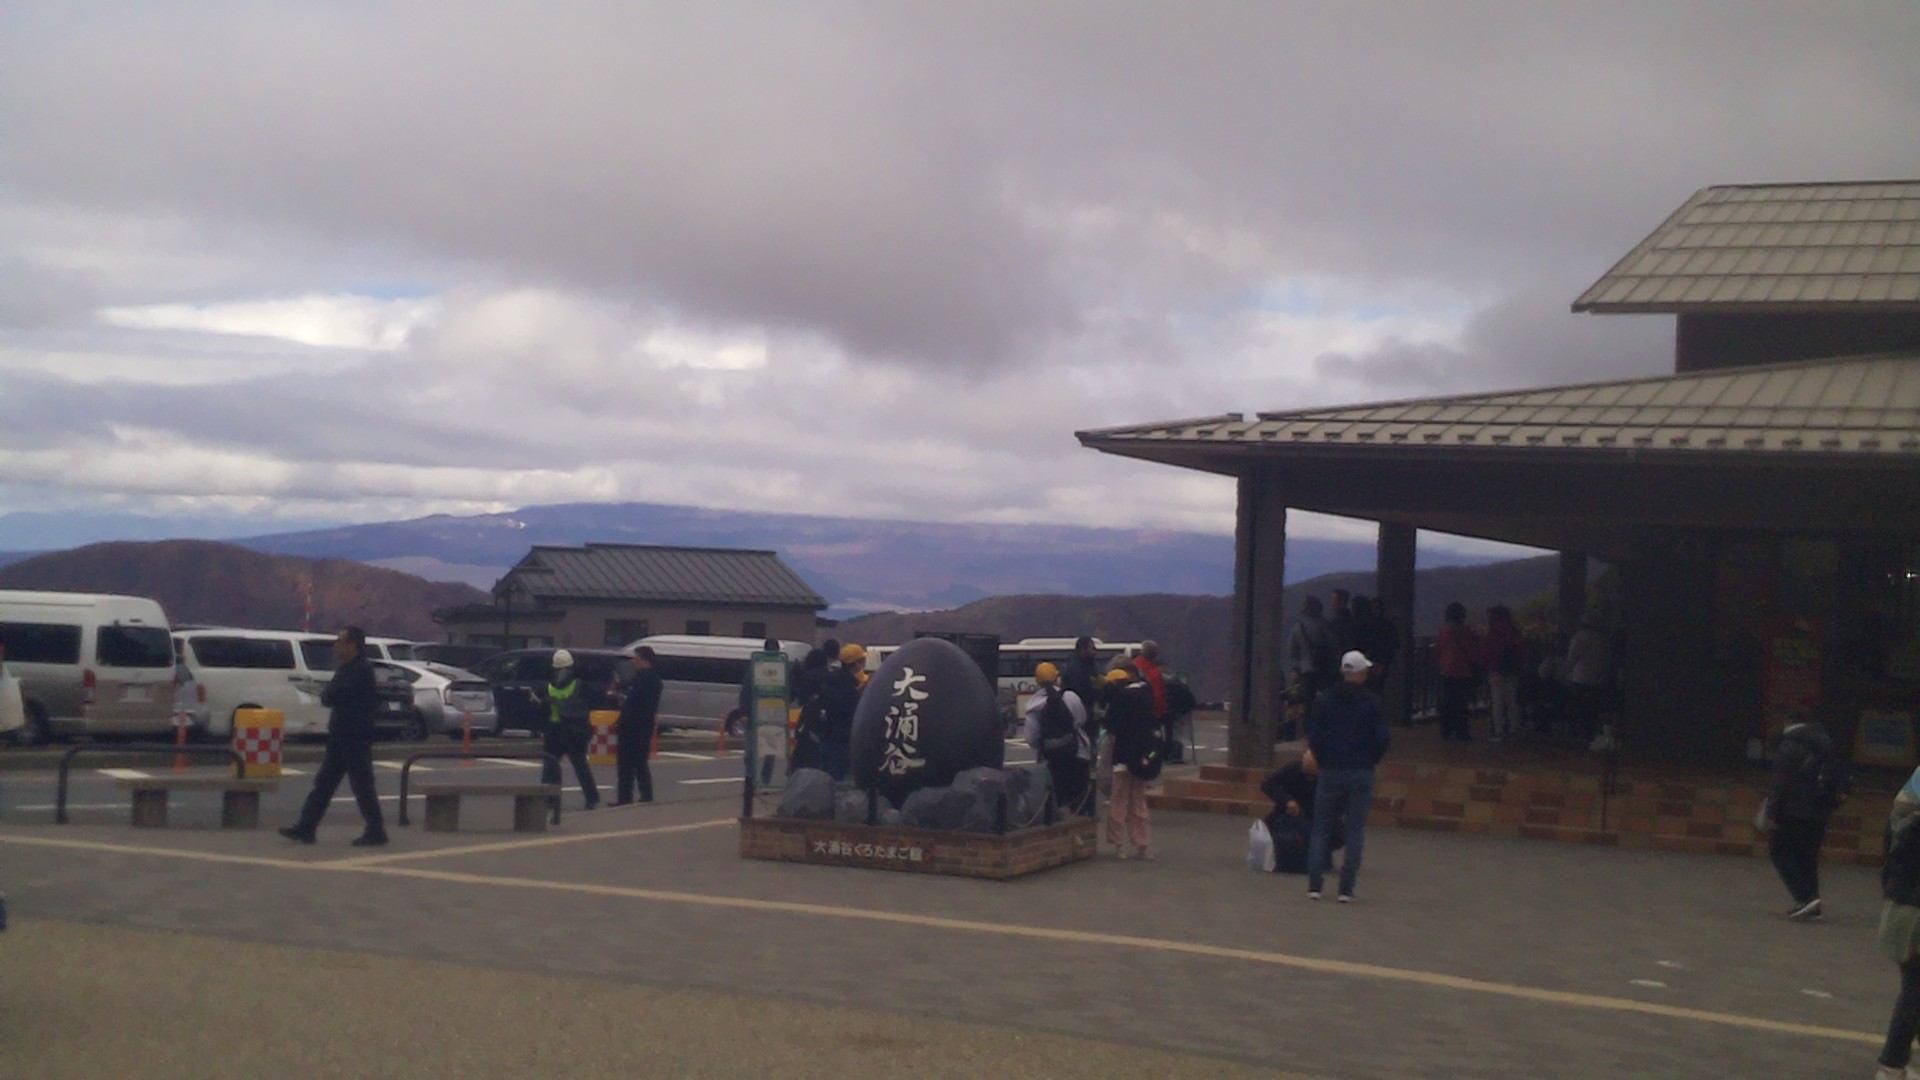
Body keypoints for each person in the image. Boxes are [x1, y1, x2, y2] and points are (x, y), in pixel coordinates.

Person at [280, 626, 388, 847]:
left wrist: (330, 695)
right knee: (325, 783)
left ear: (352, 645)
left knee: (362, 784)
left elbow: (331, 695)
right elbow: (330, 695)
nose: (335, 645)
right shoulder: (349, 668)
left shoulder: (359, 669)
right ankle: (306, 827)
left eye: (340, 641)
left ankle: (376, 830)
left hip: (354, 736)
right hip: (341, 736)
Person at [1305, 651, 1391, 902]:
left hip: (1331, 769)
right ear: (1362, 673)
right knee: (1354, 829)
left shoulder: (1324, 700)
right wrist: (1371, 759)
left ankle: (1315, 885)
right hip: (1361, 770)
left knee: (1321, 827)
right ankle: (1345, 889)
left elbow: (1314, 735)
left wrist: (1323, 759)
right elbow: (1383, 738)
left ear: (1343, 671)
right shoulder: (1373, 702)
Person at [1765, 719, 1838, 921]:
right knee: (1807, 857)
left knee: (1779, 852)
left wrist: (1771, 813)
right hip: (1820, 810)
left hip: (1792, 810)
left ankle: (1805, 897)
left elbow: (1779, 784)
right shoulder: (1825, 743)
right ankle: (1811, 902)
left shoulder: (1788, 747)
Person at [1873, 766, 1920, 1079]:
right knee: (1915, 992)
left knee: (1914, 988)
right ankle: (1891, 1063)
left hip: (1899, 909)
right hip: (1915, 914)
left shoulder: (1900, 817)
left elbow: (1888, 867)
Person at [1103, 663, 1160, 859]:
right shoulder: (1146, 695)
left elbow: (1110, 726)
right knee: (1138, 800)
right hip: (1142, 757)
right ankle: (1142, 843)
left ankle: (1118, 844)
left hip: (1122, 756)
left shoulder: (1119, 699)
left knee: (1118, 800)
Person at [1023, 661, 1091, 816]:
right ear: (1057, 678)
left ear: (1037, 681)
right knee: (1080, 802)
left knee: (1055, 803)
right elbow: (1081, 719)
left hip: (1050, 759)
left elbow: (1031, 737)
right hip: (1077, 753)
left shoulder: (1033, 705)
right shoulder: (1070, 697)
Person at [1260, 748, 1341, 874]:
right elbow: (1267, 785)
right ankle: (1284, 856)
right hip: (1288, 814)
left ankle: (1324, 855)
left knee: (1339, 831)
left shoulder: (1331, 777)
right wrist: (1287, 800)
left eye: (1313, 776)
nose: (1309, 778)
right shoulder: (1292, 770)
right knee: (1275, 825)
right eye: (1306, 774)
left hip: (1317, 815)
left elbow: (1341, 801)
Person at [539, 649, 601, 812]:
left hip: (556, 730)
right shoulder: (579, 685)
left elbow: (543, 712)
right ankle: (591, 798)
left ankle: (549, 799)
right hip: (573, 730)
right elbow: (591, 703)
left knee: (551, 766)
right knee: (579, 765)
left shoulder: (548, 687)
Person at [613, 646, 662, 805]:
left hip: (633, 725)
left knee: (627, 763)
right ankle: (645, 795)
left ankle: (625, 798)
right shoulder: (654, 679)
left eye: (635, 658)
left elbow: (633, 702)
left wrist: (623, 700)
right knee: (639, 762)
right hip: (644, 725)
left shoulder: (643, 679)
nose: (633, 661)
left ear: (643, 659)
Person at [816, 644, 866, 780]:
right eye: (862, 662)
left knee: (825, 777)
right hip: (841, 740)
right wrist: (858, 692)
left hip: (826, 736)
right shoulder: (849, 685)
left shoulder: (829, 678)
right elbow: (847, 708)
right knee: (837, 779)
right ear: (856, 664)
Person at [1565, 615, 1615, 749]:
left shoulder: (1580, 637)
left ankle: (1579, 734)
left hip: (1581, 678)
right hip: (1597, 678)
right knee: (1592, 708)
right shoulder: (1602, 639)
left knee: (1579, 707)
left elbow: (1571, 657)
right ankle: (1589, 734)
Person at [1435, 601, 1481, 742]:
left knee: (1448, 701)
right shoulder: (1466, 632)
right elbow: (1473, 652)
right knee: (1461, 703)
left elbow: (1438, 651)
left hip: (1446, 670)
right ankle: (1462, 732)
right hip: (1463, 671)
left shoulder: (1443, 632)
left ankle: (1446, 730)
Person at [1286, 597, 1337, 712]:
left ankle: (1310, 721)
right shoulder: (1325, 624)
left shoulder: (1297, 628)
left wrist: (1303, 658)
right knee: (1327, 700)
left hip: (1307, 670)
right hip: (1325, 668)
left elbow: (1291, 651)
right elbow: (1333, 645)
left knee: (1308, 702)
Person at [1482, 606, 1524, 742]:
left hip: (1495, 669)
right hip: (1512, 670)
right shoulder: (1514, 631)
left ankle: (1498, 731)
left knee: (1497, 701)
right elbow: (1520, 650)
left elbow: (1487, 652)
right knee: (1512, 701)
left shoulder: (1492, 632)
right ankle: (1513, 729)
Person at [789, 647, 831, 774]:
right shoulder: (830, 676)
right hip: (828, 723)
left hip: (807, 723)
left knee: (802, 756)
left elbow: (798, 697)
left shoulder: (807, 677)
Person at [1327, 589, 1354, 654]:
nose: (1332, 603)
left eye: (1335, 600)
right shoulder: (1333, 620)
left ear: (1343, 602)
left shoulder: (1346, 621)